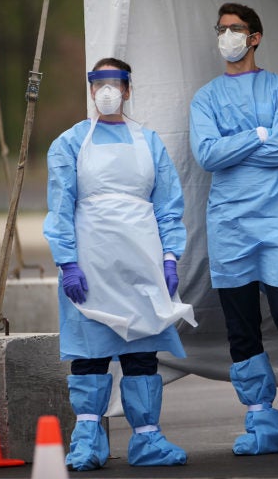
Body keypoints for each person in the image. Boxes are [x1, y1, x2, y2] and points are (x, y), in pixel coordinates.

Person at [189, 2, 278, 455]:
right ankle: (260, 421)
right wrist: (258, 134)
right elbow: (207, 155)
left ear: (255, 37)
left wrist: (247, 144)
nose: (226, 36)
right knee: (242, 327)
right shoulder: (205, 98)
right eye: (221, 28)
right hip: (231, 221)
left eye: (236, 29)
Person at [43, 58, 195, 470]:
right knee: (91, 351)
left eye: (115, 82)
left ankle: (147, 439)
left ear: (128, 89)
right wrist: (67, 262)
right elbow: (60, 207)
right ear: (91, 89)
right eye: (99, 82)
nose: (107, 90)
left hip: (141, 261)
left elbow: (167, 206)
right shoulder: (70, 143)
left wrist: (168, 256)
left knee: (142, 350)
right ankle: (87, 440)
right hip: (91, 263)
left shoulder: (149, 142)